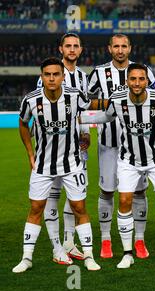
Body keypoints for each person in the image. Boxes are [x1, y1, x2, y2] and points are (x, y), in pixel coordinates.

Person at [81, 63, 155, 268]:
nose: (137, 83)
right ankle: (127, 254)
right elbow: (106, 116)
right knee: (124, 201)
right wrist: (76, 116)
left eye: (141, 79)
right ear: (127, 81)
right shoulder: (117, 100)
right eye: (132, 79)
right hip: (128, 160)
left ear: (147, 80)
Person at [13, 57, 101, 273]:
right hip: (43, 165)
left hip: (72, 163)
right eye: (47, 74)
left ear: (63, 76)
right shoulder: (31, 100)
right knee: (36, 208)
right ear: (41, 76)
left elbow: (96, 104)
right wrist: (30, 153)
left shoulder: (74, 95)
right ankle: (26, 258)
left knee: (79, 207)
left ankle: (89, 256)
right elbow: (23, 124)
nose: (51, 78)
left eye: (56, 74)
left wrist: (120, 98)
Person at [87, 34, 155, 259]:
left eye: (124, 46)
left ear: (130, 48)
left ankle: (139, 240)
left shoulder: (143, 69)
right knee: (107, 190)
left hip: (139, 144)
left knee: (139, 190)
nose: (120, 50)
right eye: (116, 46)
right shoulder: (99, 72)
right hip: (109, 142)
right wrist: (113, 102)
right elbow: (86, 100)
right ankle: (106, 240)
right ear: (110, 48)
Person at [36, 33, 90, 263]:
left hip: (76, 148)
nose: (71, 49)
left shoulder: (82, 77)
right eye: (67, 45)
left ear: (80, 50)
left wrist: (85, 132)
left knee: (74, 196)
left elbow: (81, 111)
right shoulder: (50, 76)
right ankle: (56, 247)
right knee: (53, 196)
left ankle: (69, 242)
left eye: (75, 46)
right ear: (60, 49)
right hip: (52, 149)